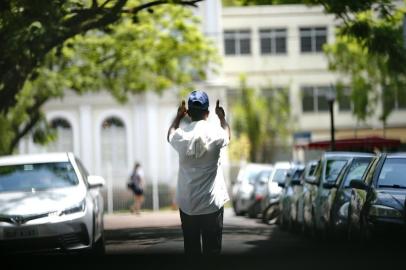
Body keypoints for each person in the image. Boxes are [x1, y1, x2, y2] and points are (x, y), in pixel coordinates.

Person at [167, 90, 231, 256]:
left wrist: (178, 117)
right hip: (212, 205)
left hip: (188, 206)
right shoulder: (216, 134)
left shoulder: (180, 136)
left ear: (188, 113)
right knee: (213, 253)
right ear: (207, 113)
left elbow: (170, 134)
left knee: (191, 252)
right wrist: (222, 117)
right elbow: (227, 134)